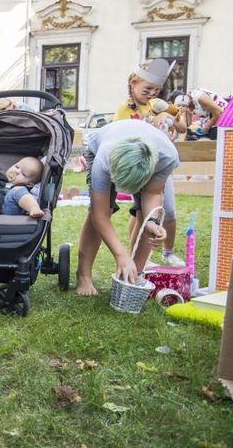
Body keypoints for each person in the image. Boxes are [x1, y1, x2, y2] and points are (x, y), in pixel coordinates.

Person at [74, 119, 179, 296]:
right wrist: (120, 255)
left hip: (149, 153)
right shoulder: (104, 158)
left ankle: (133, 276)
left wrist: (152, 222)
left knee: (145, 216)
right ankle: (83, 275)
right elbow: (99, 215)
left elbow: (152, 194)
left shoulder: (167, 157)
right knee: (102, 208)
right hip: (102, 146)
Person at [114, 58, 182, 266]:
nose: (152, 93)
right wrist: (152, 123)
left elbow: (181, 124)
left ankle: (168, 252)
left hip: (161, 165)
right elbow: (125, 136)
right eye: (147, 89)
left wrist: (167, 116)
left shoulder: (156, 105)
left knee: (168, 211)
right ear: (133, 83)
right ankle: (137, 256)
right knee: (142, 212)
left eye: (157, 90)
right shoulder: (125, 109)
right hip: (142, 165)